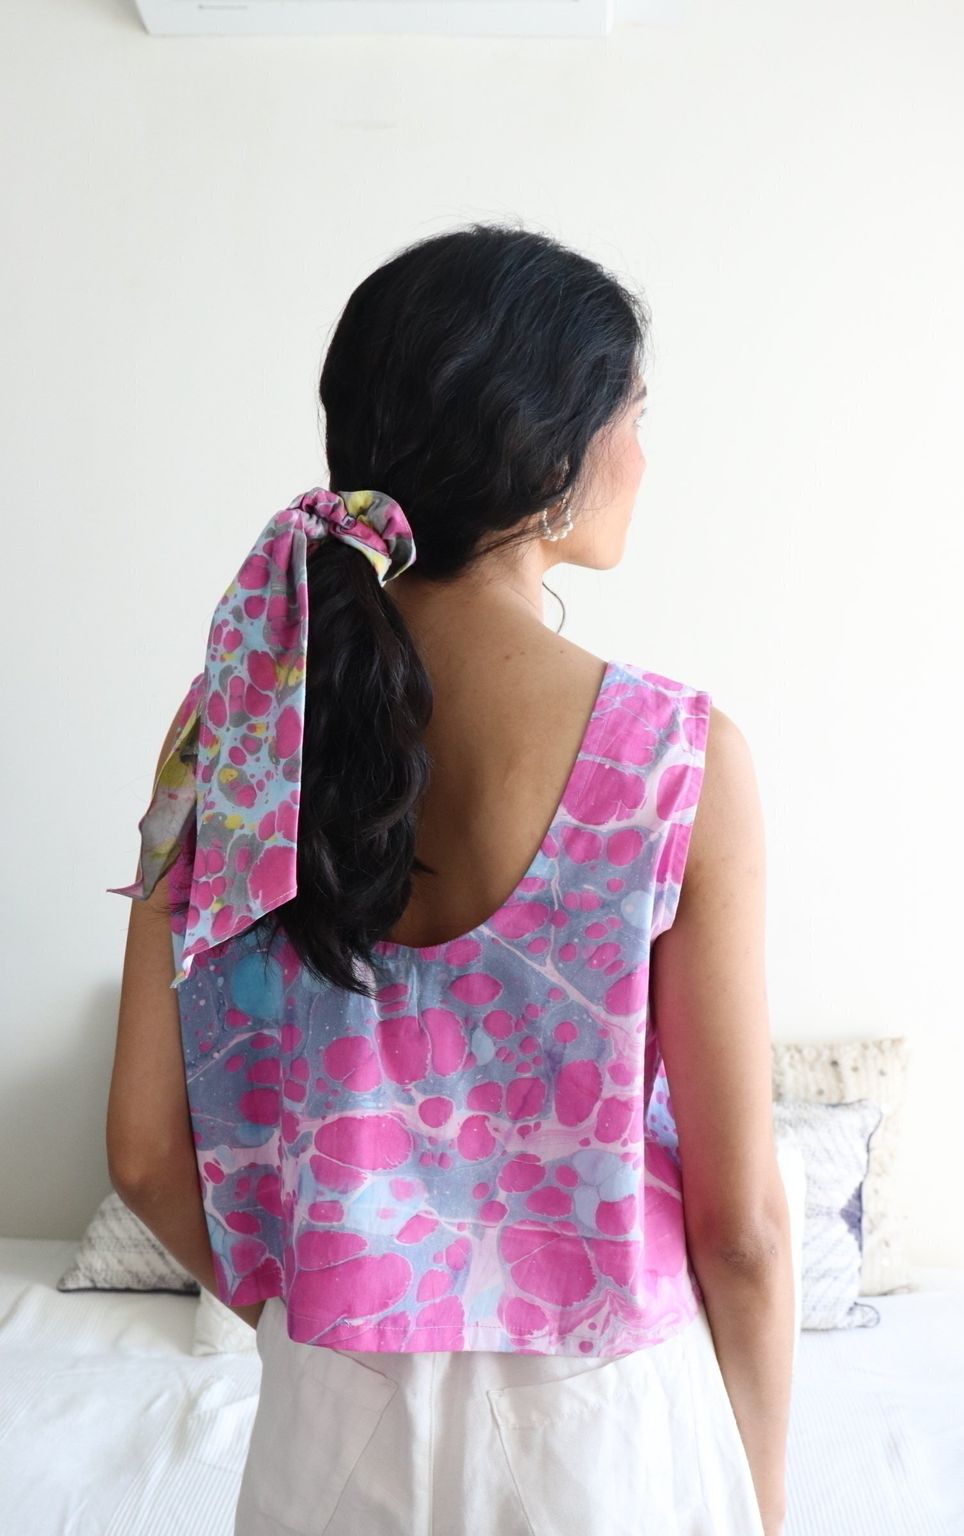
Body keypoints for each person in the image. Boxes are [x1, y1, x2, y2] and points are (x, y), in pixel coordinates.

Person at [106, 221, 793, 1536]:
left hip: (332, 1418)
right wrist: (764, 1502)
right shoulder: (678, 760)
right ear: (549, 450)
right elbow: (744, 1229)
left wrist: (314, 1323)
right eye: (634, 414)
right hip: (606, 1425)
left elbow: (142, 1154)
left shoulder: (228, 726)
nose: (645, 455)